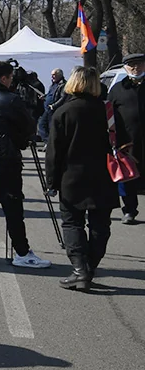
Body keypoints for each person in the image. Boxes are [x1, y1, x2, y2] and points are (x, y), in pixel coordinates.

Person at [47, 67, 123, 292]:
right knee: (101, 225)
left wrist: (51, 182)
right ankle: (89, 267)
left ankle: (80, 269)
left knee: (72, 223)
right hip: (104, 174)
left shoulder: (64, 112)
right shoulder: (108, 111)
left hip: (72, 176)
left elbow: (54, 152)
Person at [0, 60, 51, 268]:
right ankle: (22, 252)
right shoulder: (12, 100)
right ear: (4, 78)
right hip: (5, 159)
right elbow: (28, 127)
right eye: (10, 78)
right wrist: (20, 140)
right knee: (13, 207)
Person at [107, 53, 144, 225]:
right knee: (129, 179)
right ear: (125, 68)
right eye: (132, 65)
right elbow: (109, 116)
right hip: (127, 142)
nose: (136, 68)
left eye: (140, 64)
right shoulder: (117, 89)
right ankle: (129, 210)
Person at [38, 69, 66, 143]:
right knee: (41, 125)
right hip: (47, 109)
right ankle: (48, 142)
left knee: (52, 127)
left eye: (54, 75)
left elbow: (63, 98)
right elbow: (51, 94)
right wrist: (44, 96)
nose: (52, 77)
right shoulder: (53, 84)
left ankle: (52, 143)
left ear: (59, 75)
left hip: (53, 109)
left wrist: (54, 106)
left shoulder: (63, 85)